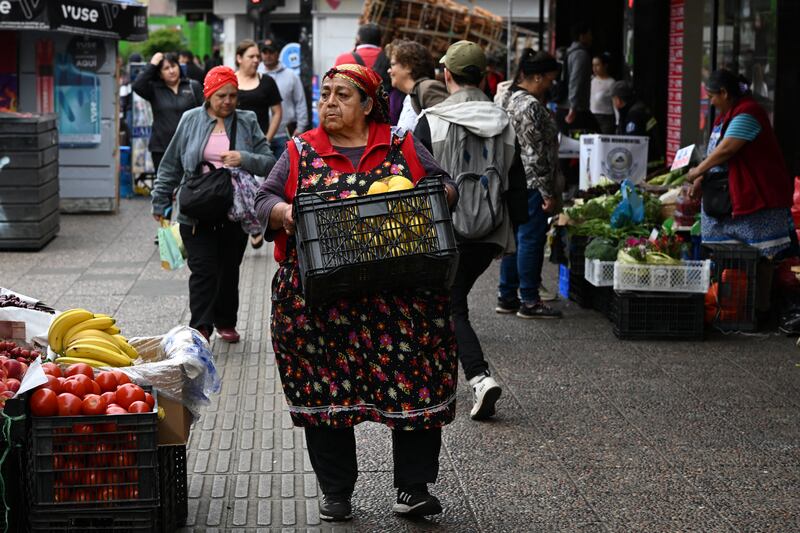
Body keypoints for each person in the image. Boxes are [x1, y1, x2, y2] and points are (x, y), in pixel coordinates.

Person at [254, 63, 459, 522]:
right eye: (325, 94)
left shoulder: (401, 143)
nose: (329, 103)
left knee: (416, 385)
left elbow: (444, 186)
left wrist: (438, 195)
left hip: (401, 299)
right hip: (322, 302)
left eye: (342, 95)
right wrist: (285, 214)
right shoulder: (300, 149)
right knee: (325, 393)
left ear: (368, 105)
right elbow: (263, 200)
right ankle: (336, 490)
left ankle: (413, 487)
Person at [414, 41, 528, 420]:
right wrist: (509, 236)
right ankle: (448, 374)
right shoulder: (504, 122)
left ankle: (478, 378)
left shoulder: (430, 121)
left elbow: (412, 183)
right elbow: (517, 183)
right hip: (489, 233)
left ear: (446, 75)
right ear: (482, 76)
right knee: (448, 300)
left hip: (447, 232)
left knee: (450, 304)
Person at [151, 66, 275, 343]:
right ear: (208, 95)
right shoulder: (190, 119)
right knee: (203, 271)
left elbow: (269, 160)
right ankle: (201, 326)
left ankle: (226, 322)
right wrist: (159, 201)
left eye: (232, 96)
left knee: (228, 271)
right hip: (196, 209)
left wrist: (244, 158)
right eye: (221, 96)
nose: (228, 102)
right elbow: (170, 164)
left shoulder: (247, 120)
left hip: (233, 210)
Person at [686, 69, 793, 260]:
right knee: (731, 263)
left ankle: (758, 291)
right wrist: (701, 179)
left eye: (712, 97)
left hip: (758, 200)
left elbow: (726, 150)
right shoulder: (725, 116)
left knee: (760, 260)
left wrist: (696, 172)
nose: (710, 102)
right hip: (728, 201)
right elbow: (714, 152)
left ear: (724, 93)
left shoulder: (749, 112)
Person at [498, 50, 565, 319]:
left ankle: (507, 295)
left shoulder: (509, 98)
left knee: (514, 239)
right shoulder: (530, 106)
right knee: (530, 239)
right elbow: (535, 153)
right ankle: (529, 299)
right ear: (536, 77)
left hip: (514, 180)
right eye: (549, 79)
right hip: (531, 183)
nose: (550, 84)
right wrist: (547, 192)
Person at [235, 39, 283, 248]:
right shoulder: (231, 82)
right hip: (235, 146)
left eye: (257, 56)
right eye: (251, 56)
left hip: (260, 145)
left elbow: (277, 112)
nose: (256, 60)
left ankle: (256, 224)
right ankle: (246, 224)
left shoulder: (267, 82)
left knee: (258, 187)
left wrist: (267, 138)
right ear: (239, 58)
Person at [132, 52, 203, 173]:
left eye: (173, 66)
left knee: (190, 187)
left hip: (190, 147)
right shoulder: (154, 89)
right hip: (161, 148)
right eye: (166, 68)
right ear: (160, 73)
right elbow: (137, 85)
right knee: (164, 188)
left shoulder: (192, 86)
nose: (171, 71)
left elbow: (205, 112)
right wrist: (153, 64)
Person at [257, 40, 309, 158]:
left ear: (277, 54)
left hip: (284, 134)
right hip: (260, 136)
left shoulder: (291, 75)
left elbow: (300, 101)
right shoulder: (255, 75)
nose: (268, 55)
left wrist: (301, 127)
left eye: (271, 52)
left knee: (286, 174)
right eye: (265, 52)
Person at [388, 40, 447, 132]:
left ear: (408, 66)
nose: (389, 70)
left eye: (393, 64)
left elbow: (443, 130)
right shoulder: (411, 96)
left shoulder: (428, 88)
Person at [611, 80, 663, 169]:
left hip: (647, 164)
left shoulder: (634, 114)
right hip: (652, 159)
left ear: (618, 100)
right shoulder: (637, 108)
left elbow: (631, 143)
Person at [557, 22, 594, 133]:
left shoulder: (568, 52)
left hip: (564, 105)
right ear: (582, 36)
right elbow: (575, 80)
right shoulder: (580, 55)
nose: (591, 37)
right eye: (589, 34)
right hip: (575, 110)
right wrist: (573, 107)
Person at [590, 52, 615, 134]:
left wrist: (618, 122)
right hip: (591, 116)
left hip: (606, 118)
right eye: (593, 65)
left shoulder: (611, 82)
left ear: (605, 66)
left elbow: (615, 104)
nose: (594, 68)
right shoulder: (591, 80)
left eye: (597, 65)